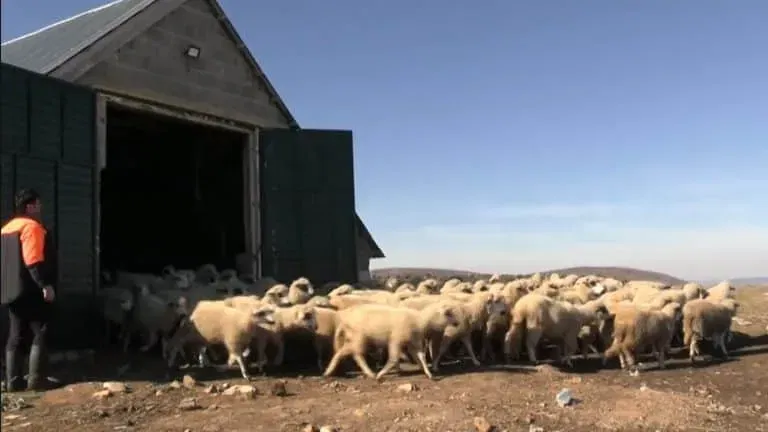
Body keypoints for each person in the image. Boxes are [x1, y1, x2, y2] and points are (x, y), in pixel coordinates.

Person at [1, 188, 56, 391]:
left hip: (10, 289)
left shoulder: (7, 228)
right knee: (39, 331)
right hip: (30, 289)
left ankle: (12, 382)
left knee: (15, 334)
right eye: (38, 204)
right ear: (30, 206)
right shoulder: (32, 227)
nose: (40, 207)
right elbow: (33, 260)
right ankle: (37, 380)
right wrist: (45, 285)